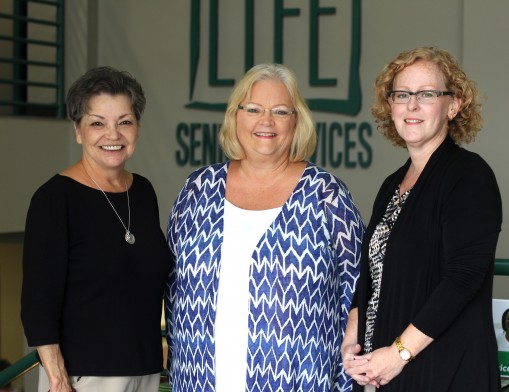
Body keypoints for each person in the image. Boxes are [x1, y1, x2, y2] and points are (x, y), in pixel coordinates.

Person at [165, 63, 364, 391]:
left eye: (280, 111)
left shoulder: (326, 194)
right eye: (253, 109)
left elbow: (358, 293)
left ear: (297, 121)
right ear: (236, 116)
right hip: (198, 378)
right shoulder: (197, 189)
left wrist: (345, 382)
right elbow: (170, 285)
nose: (266, 121)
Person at [341, 47, 503, 391]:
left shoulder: (469, 175)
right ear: (390, 106)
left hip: (444, 373)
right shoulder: (392, 184)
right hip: (384, 373)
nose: (411, 106)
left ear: (454, 105)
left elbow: (463, 279)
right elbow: (369, 280)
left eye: (427, 94)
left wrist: (397, 354)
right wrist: (351, 345)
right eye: (402, 95)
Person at [21, 67, 171, 392]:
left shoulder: (143, 192)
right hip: (83, 376)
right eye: (98, 123)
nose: (113, 134)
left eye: (125, 122)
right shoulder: (55, 199)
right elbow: (38, 302)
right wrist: (58, 378)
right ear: (78, 130)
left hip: (144, 369)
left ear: (138, 128)